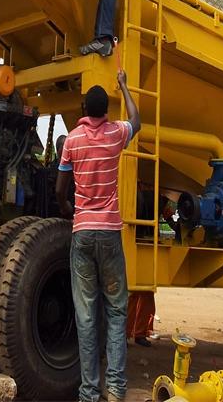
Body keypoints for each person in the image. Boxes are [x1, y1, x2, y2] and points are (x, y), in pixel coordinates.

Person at [56, 70, 141, 402]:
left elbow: (60, 189)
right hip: (110, 234)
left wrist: (69, 210)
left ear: (83, 109)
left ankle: (89, 393)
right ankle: (117, 389)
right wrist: (124, 85)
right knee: (117, 312)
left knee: (86, 317)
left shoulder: (73, 140)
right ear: (106, 111)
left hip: (82, 233)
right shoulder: (116, 134)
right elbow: (137, 119)